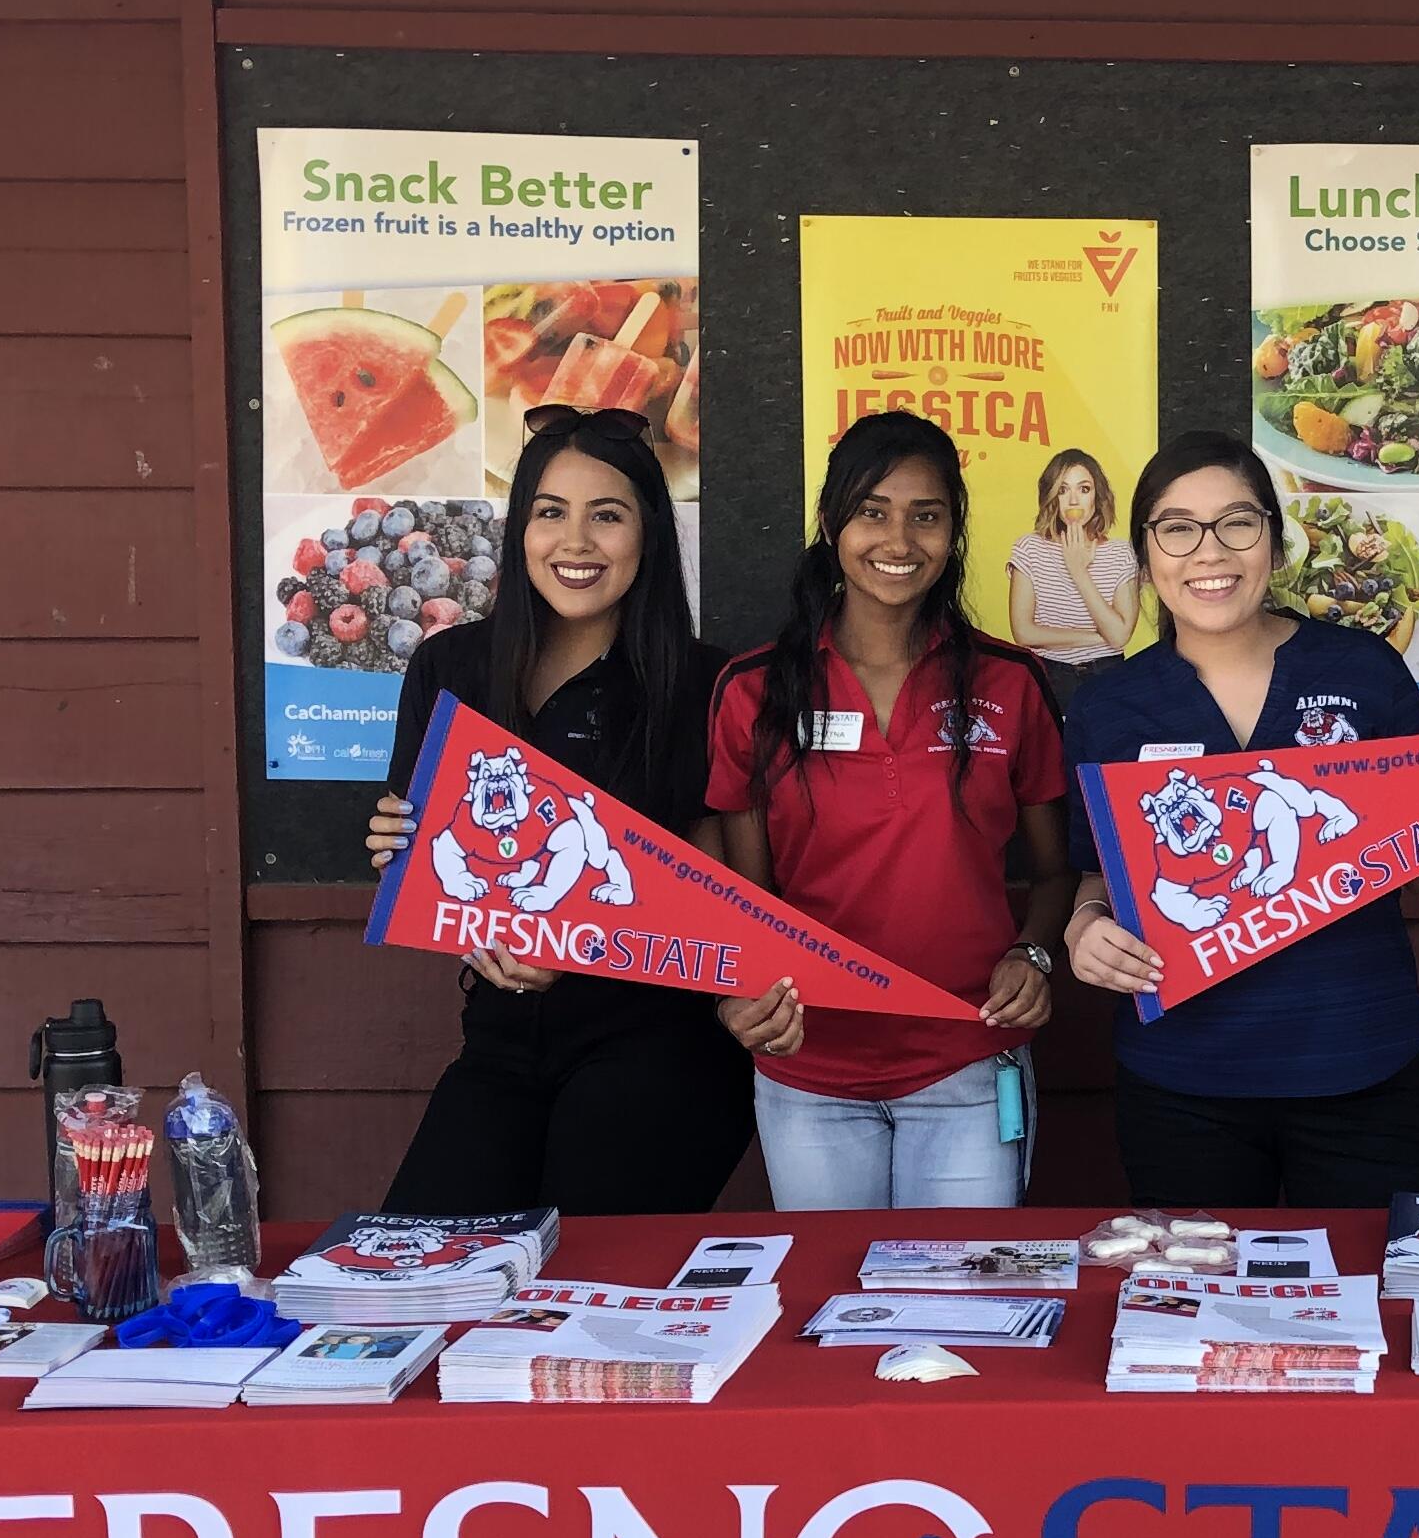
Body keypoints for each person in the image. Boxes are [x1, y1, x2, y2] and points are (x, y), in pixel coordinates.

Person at [1060, 430, 1419, 1207]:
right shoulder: (1109, 705)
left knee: (1373, 1303)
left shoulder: (1360, 670)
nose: (1209, 552)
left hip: (1359, 1070)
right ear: (1147, 555)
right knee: (1199, 1311)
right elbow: (1098, 877)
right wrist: (1084, 931)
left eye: (1237, 523)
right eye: (1177, 528)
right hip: (1183, 1081)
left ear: (1274, 541)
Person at [361, 405, 751, 1216]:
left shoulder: (707, 686)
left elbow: (729, 889)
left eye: (606, 516)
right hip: (501, 1036)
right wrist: (417, 870)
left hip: (659, 1038)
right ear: (520, 532)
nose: (575, 542)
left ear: (648, 535)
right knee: (421, 1262)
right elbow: (423, 852)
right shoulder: (450, 666)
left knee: (584, 1276)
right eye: (550, 513)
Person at [704, 413, 1074, 1207]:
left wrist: (1034, 956)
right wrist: (736, 993)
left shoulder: (1010, 683)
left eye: (926, 515)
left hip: (971, 1063)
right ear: (833, 522)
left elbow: (1054, 873)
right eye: (873, 511)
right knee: (831, 1314)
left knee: (959, 1319)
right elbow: (747, 902)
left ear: (954, 533)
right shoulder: (754, 689)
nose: (898, 539)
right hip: (810, 1073)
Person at [1004, 445, 1141, 676]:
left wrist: (1078, 571)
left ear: (1097, 497)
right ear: (1052, 497)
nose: (1074, 500)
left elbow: (1119, 637)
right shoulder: (1029, 549)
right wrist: (1097, 637)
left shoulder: (1121, 553)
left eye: (1084, 489)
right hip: (1049, 674)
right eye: (1063, 490)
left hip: (1108, 673)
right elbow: (1024, 633)